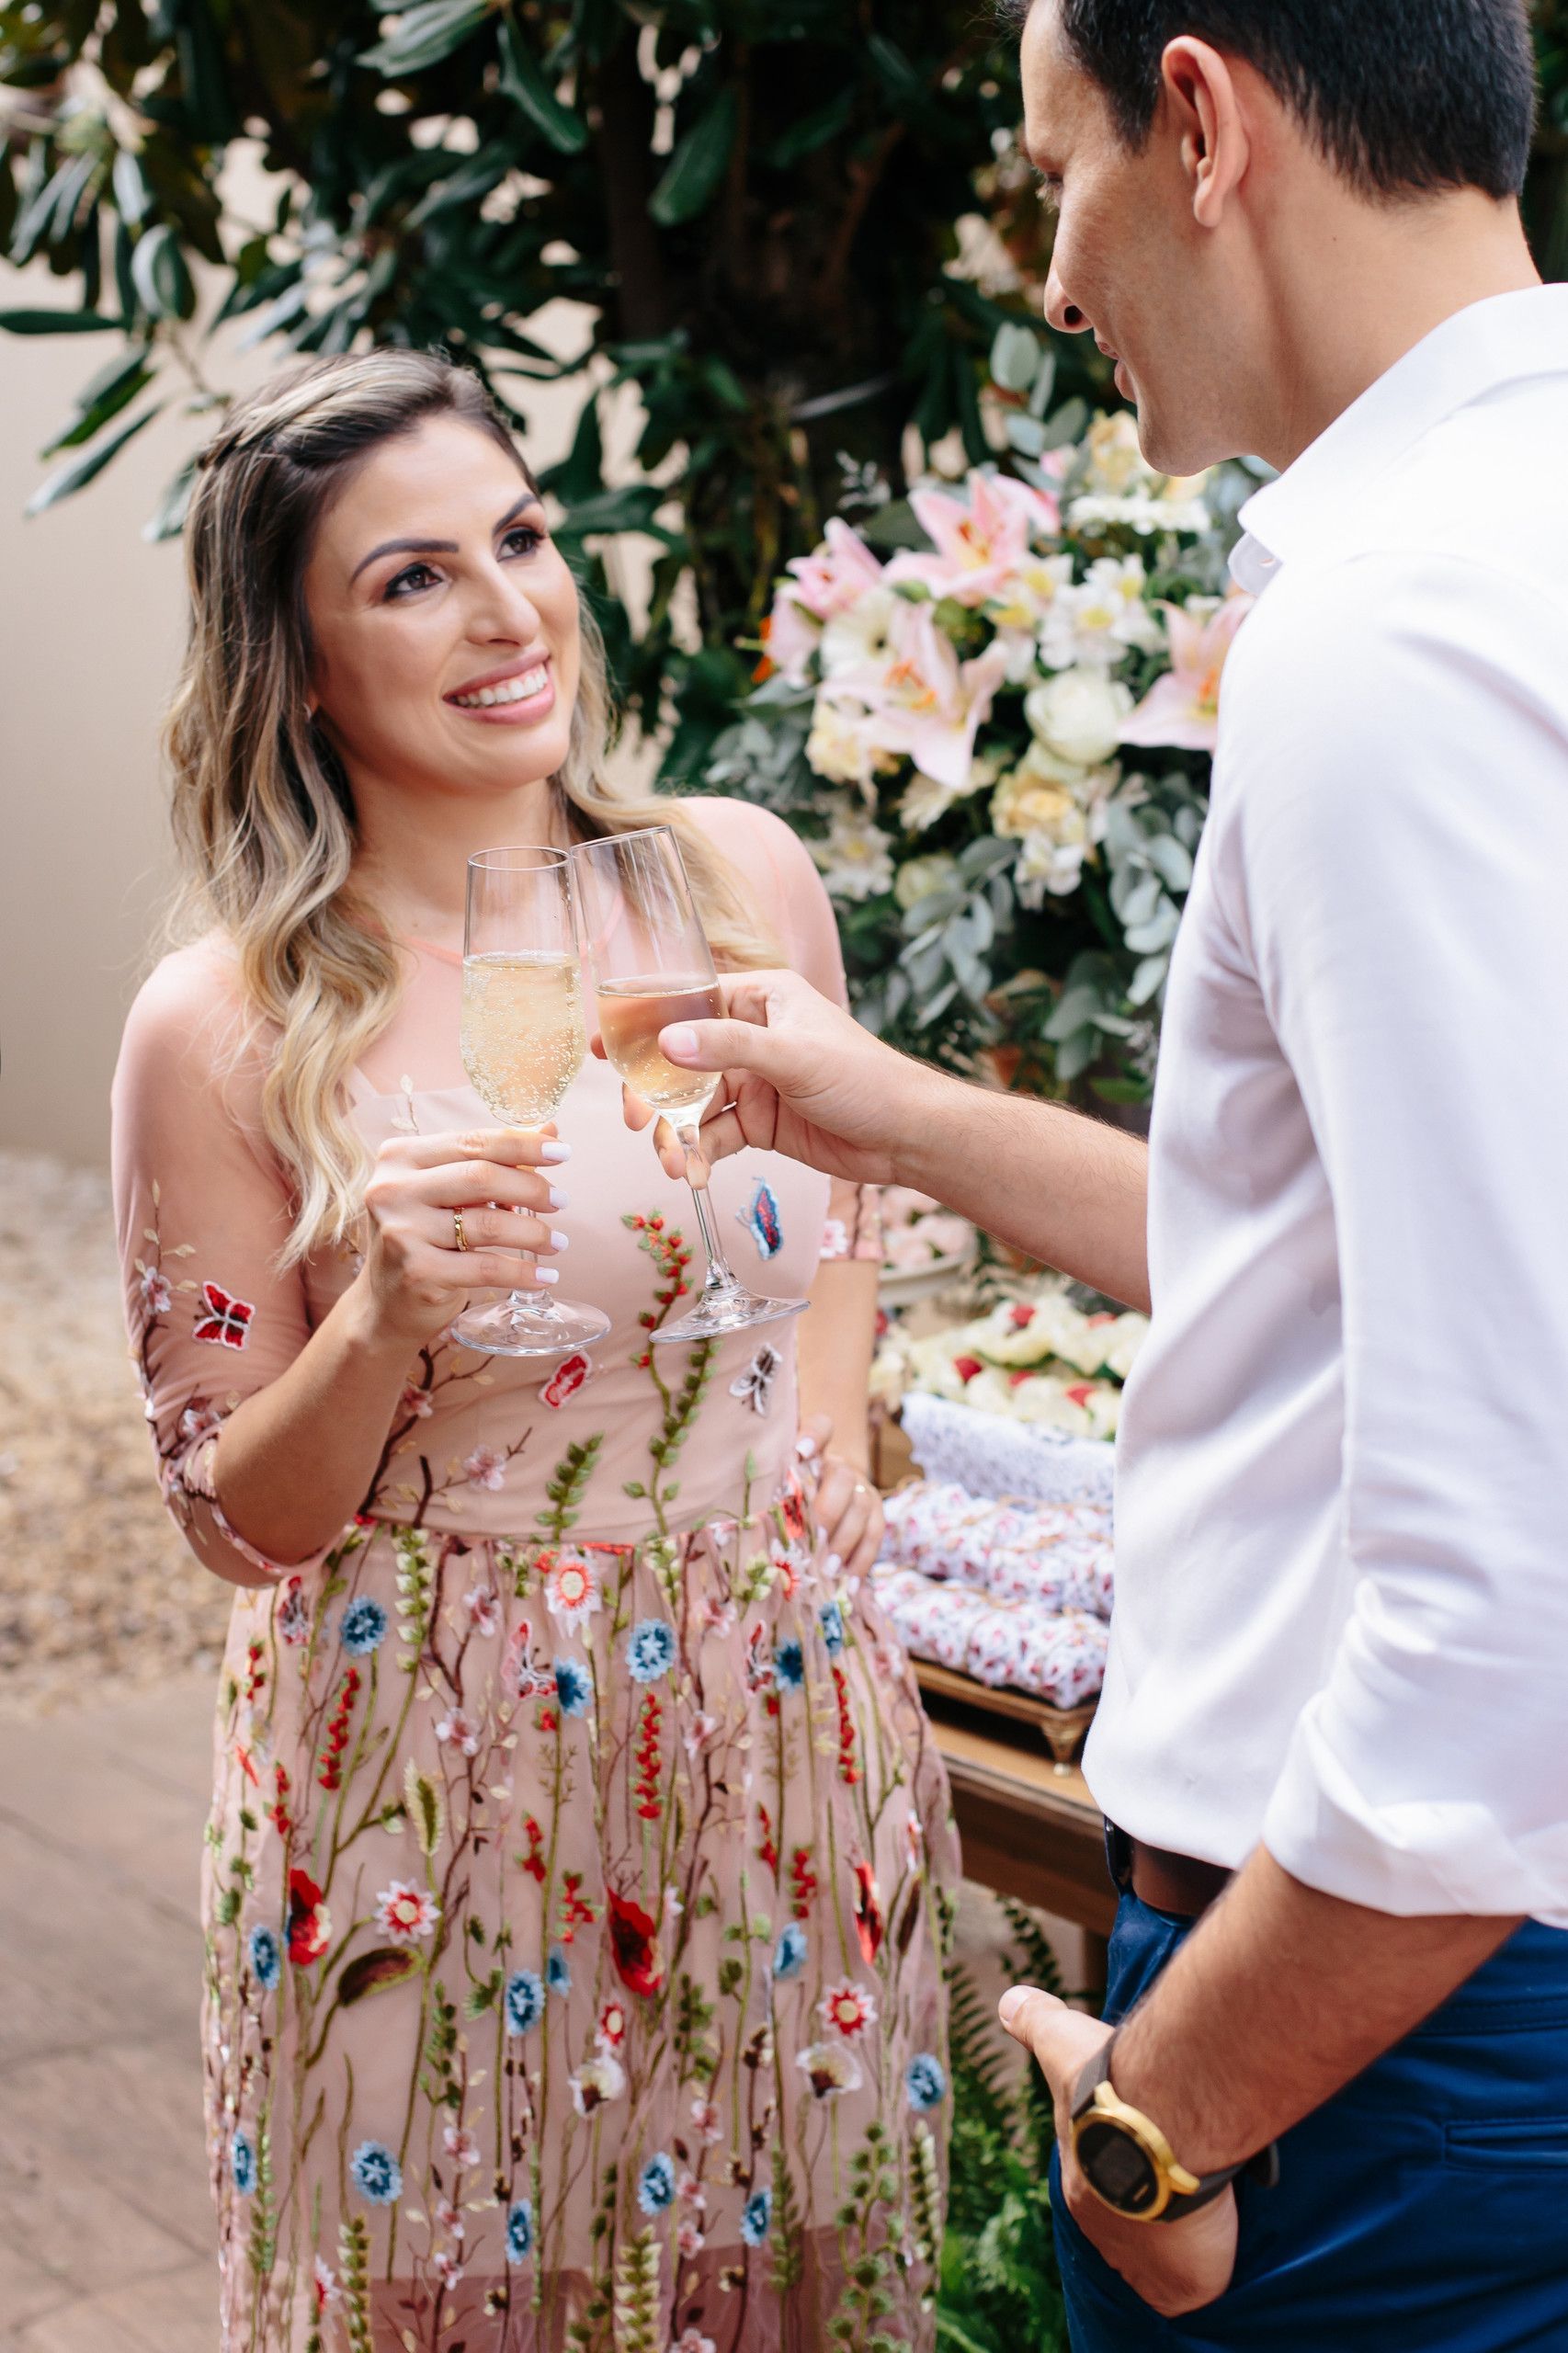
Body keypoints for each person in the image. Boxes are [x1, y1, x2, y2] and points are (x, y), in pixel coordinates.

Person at [619, 1, 1568, 2343]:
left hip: (1378, 2035)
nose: (1050, 277)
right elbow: (1394, 1274)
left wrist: (1166, 2119)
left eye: (1057, 175)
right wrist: (894, 1105)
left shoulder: (1395, 632)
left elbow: (1511, 1593)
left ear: (1203, 122)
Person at [111, 349, 958, 2353]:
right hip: (427, 1758)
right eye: (413, 577)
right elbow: (231, 1515)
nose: (508, 609)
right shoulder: (224, 1021)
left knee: (785, 2285)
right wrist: (388, 1320)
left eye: (520, 536)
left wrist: (821, 1415)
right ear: (298, 669)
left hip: (776, 1716)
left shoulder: (730, 880)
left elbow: (832, 1200)